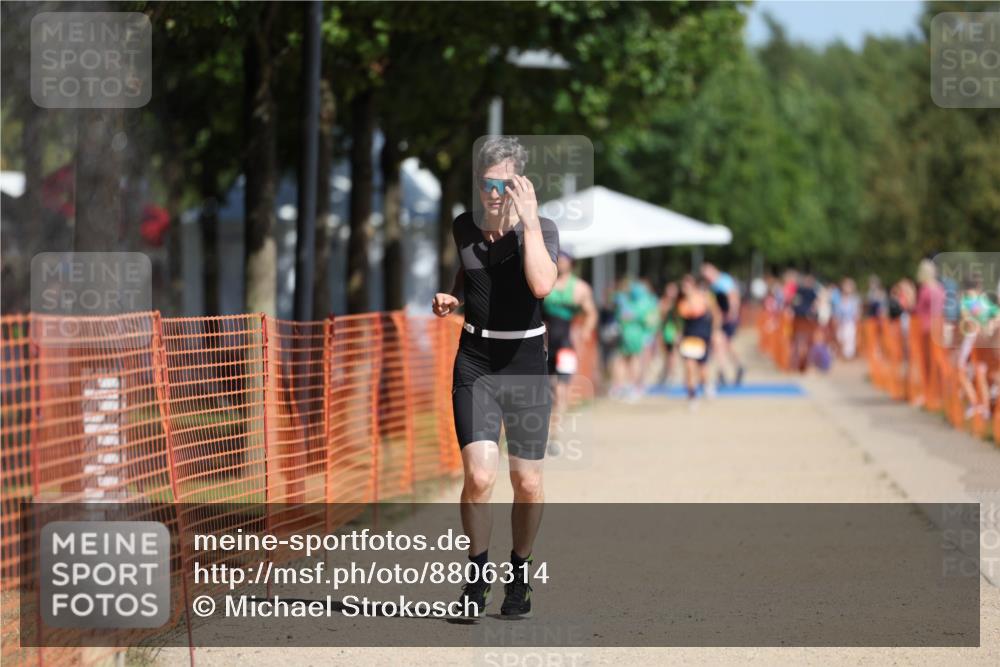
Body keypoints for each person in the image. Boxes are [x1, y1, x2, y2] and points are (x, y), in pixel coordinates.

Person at [432, 136, 558, 619]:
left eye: (506, 183)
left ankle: (520, 574)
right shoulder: (463, 226)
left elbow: (542, 285)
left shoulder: (541, 228)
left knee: (526, 481)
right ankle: (477, 576)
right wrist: (452, 297)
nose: (496, 192)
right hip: (476, 361)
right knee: (479, 476)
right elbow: (470, 276)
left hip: (525, 362)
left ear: (521, 185)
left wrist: (526, 221)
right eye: (488, 182)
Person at [542, 251, 597, 454]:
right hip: (545, 343)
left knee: (561, 391)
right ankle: (543, 432)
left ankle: (553, 434)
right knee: (545, 389)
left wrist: (583, 333)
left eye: (564, 261)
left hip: (566, 345)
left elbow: (591, 313)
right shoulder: (544, 281)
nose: (561, 264)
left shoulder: (580, 288)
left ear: (571, 263)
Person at [677, 274, 720, 409]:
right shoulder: (681, 302)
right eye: (684, 285)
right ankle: (692, 396)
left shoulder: (704, 298)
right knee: (689, 366)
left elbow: (716, 315)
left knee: (702, 368)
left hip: (702, 336)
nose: (685, 288)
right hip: (688, 337)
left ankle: (707, 385)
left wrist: (714, 332)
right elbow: (679, 322)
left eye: (688, 285)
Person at [701, 263, 745, 386]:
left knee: (725, 344)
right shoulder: (713, 285)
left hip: (728, 318)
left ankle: (735, 367)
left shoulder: (723, 281)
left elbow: (733, 297)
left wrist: (732, 314)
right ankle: (724, 371)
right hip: (720, 318)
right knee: (719, 344)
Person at [914, 259, 945, 405]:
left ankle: (929, 393)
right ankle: (939, 392)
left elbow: (919, 309)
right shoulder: (940, 288)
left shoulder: (925, 289)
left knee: (927, 362)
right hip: (939, 327)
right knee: (938, 361)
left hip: (926, 329)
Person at [790, 271, 819, 373]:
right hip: (801, 320)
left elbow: (815, 304)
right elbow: (794, 301)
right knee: (799, 342)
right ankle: (797, 364)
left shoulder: (810, 292)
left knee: (803, 343)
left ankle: (801, 365)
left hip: (806, 320)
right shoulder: (802, 291)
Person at [835, 278, 861, 360]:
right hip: (841, 322)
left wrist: (856, 320)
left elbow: (856, 312)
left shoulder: (854, 299)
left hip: (850, 322)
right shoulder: (839, 298)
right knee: (840, 337)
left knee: (849, 338)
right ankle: (842, 353)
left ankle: (848, 355)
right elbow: (837, 311)